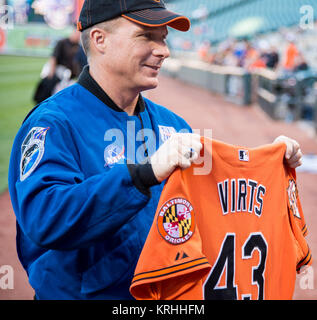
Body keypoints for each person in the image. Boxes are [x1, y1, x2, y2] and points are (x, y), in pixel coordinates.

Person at [8, 0, 303, 300]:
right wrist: (143, 174)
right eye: (146, 36)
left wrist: (264, 165)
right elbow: (44, 218)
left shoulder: (173, 126)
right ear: (100, 40)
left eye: (163, 38)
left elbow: (212, 207)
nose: (164, 50)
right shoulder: (54, 123)